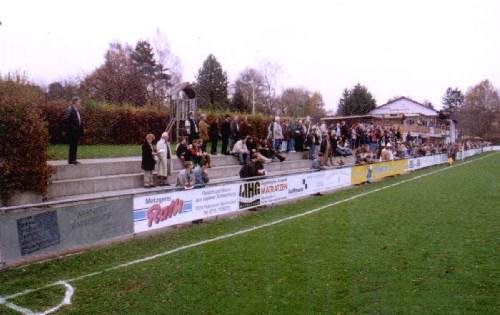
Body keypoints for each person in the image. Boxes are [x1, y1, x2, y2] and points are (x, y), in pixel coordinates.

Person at [62, 96, 83, 165]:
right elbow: (66, 120)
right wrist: (73, 128)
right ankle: (71, 160)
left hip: (76, 132)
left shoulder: (76, 110)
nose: (80, 103)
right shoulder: (70, 109)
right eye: (79, 102)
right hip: (72, 132)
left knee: (74, 146)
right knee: (72, 146)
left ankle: (73, 160)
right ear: (75, 102)